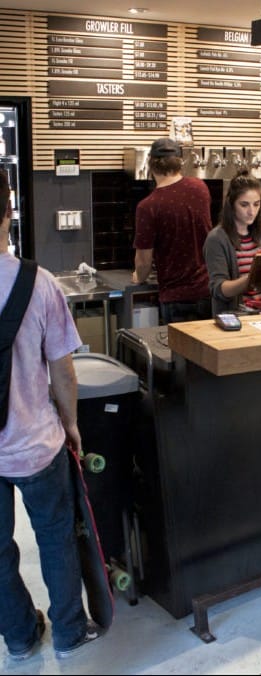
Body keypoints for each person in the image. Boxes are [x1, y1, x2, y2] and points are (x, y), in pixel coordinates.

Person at [0, 170, 101, 661]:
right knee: (57, 537)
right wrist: (73, 426)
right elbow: (64, 373)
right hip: (38, 443)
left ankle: (19, 637)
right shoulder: (38, 284)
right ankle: (68, 631)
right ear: (9, 209)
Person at [132, 137, 212, 324]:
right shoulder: (200, 188)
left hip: (176, 296)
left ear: (151, 165)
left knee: (179, 352)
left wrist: (138, 276)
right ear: (179, 163)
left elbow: (144, 261)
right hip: (207, 290)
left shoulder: (148, 206)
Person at [203, 171, 261, 315]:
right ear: (231, 204)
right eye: (244, 205)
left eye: (256, 204)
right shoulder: (217, 238)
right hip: (238, 317)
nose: (252, 212)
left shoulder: (260, 234)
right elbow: (219, 289)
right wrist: (251, 279)